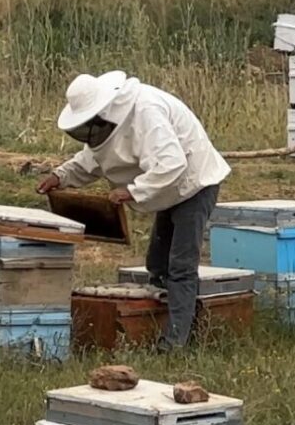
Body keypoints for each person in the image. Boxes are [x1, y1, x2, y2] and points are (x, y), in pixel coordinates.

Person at [37, 71, 231, 351]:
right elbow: (92, 160)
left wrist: (133, 191)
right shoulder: (106, 122)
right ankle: (156, 325)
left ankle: (176, 342)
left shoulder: (146, 112)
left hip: (195, 182)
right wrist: (60, 176)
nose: (88, 132)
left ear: (103, 111)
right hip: (167, 190)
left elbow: (171, 163)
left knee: (180, 266)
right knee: (157, 264)